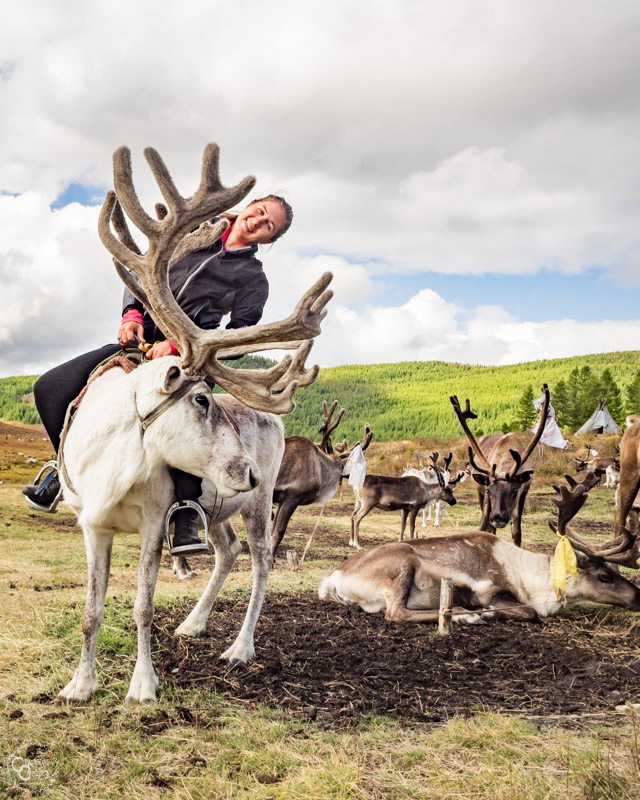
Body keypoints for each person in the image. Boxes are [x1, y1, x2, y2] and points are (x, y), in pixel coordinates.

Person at [22, 194, 293, 554]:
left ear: (269, 240)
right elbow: (142, 271)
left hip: (189, 362)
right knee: (51, 389)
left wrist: (182, 347)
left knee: (188, 427)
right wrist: (131, 315)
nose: (257, 222)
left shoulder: (252, 279)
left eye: (268, 225)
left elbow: (238, 336)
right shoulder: (189, 234)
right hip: (138, 345)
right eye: (259, 212)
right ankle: (62, 471)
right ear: (249, 206)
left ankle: (186, 512)